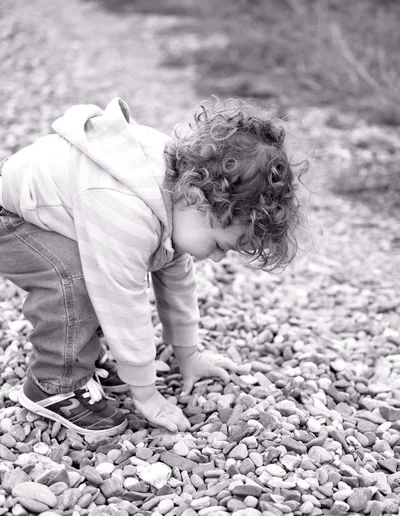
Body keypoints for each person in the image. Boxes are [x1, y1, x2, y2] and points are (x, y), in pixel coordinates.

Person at [0, 96, 305, 438]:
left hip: (58, 211)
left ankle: (82, 355)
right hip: (11, 219)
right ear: (196, 198)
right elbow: (121, 301)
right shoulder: (129, 208)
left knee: (107, 268)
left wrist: (189, 354)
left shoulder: (176, 200)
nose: (217, 258)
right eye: (221, 245)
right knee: (78, 279)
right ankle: (54, 384)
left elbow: (177, 284)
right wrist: (145, 393)